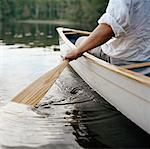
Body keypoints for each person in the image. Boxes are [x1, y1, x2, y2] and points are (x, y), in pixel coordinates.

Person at [64, 0, 150, 67]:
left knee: (79, 41)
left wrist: (78, 51)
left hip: (126, 58)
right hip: (147, 58)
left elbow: (109, 28)